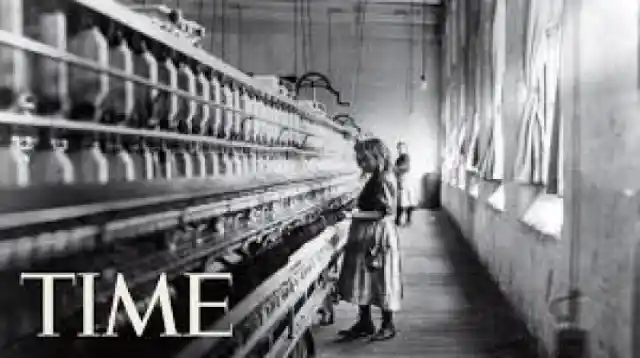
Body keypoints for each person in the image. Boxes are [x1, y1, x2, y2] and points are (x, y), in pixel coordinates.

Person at [336, 138, 403, 341]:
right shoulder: (376, 176)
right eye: (359, 160)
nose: (360, 164)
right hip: (366, 233)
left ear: (378, 157)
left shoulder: (384, 179)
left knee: (380, 279)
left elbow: (383, 212)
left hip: (377, 234)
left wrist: (352, 215)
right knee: (363, 279)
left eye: (364, 160)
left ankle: (388, 325)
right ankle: (365, 322)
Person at [394, 141, 414, 226]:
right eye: (399, 148)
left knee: (407, 201)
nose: (400, 149)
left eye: (402, 148)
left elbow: (405, 168)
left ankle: (408, 219)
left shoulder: (406, 157)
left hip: (406, 180)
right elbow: (397, 170)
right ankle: (399, 219)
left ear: (405, 148)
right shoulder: (399, 158)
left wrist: (395, 169)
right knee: (401, 201)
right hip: (401, 180)